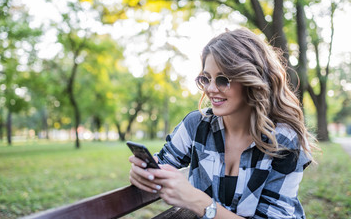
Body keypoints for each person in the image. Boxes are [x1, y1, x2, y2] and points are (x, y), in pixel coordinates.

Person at [129, 27, 317, 219]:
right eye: (206, 78)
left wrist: (198, 201)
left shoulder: (283, 139)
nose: (210, 89)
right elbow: (163, 162)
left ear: (251, 79)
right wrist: (143, 172)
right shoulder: (197, 125)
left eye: (222, 79)